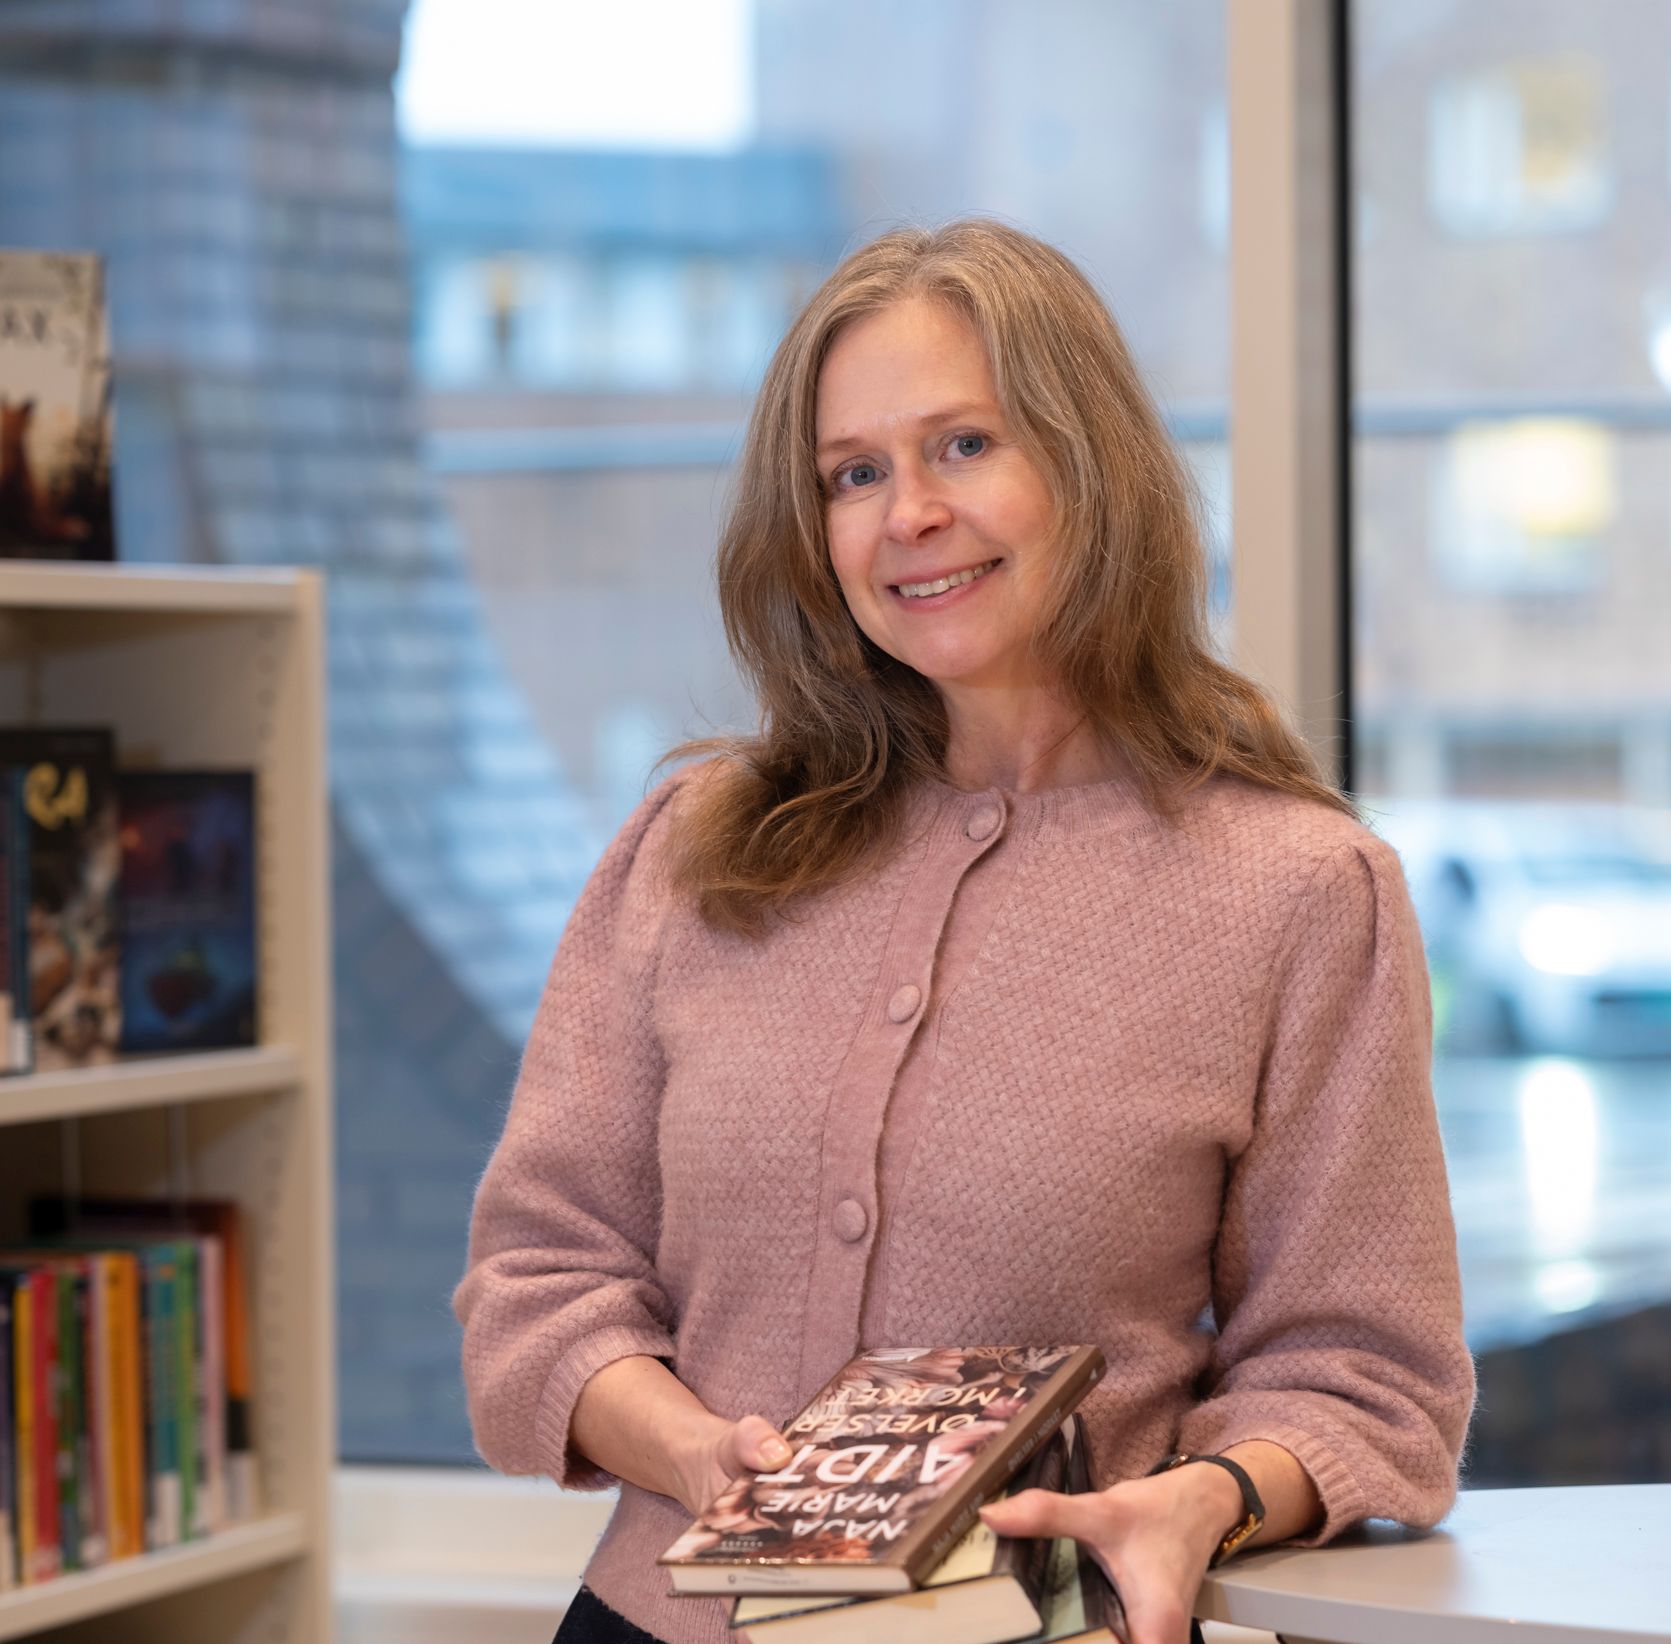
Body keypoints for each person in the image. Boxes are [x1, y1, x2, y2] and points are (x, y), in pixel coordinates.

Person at [455, 218, 1473, 1644]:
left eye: (962, 447)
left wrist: (1200, 1500)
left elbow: (1367, 1375)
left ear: (1087, 465)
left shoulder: (1296, 894)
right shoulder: (691, 851)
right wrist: (691, 1452)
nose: (906, 514)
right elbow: (540, 1281)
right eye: (853, 475)